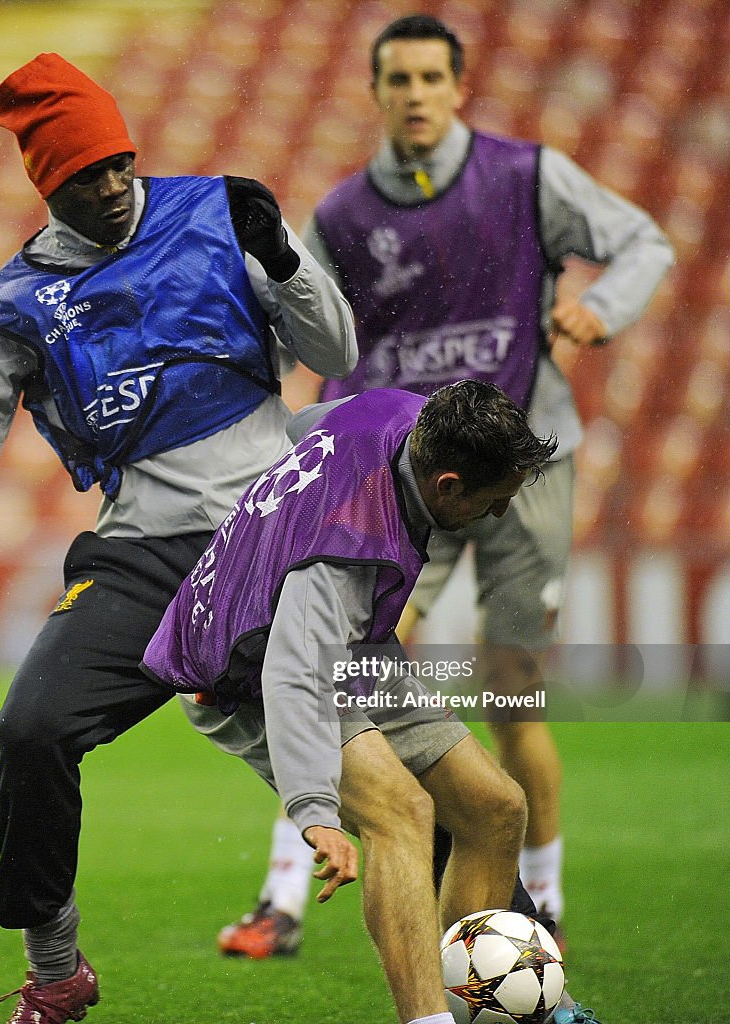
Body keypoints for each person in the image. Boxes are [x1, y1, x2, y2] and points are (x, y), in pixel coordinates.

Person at [0, 52, 357, 1024]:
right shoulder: (8, 309)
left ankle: (487, 945)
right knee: (29, 731)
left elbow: (336, 355)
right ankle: (57, 969)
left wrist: (281, 258)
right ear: (44, 184)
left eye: (119, 164)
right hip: (143, 555)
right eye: (84, 177)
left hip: (274, 532)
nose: (111, 188)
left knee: (381, 780)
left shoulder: (219, 213)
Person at [221, 12, 674, 963]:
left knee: (512, 688)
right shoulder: (341, 217)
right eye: (399, 79)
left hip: (520, 471)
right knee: (351, 667)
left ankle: (536, 905)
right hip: (395, 482)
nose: (416, 94)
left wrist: (598, 306)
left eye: (432, 77)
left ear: (458, 86)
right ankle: (284, 897)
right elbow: (295, 318)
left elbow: (645, 245)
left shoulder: (526, 178)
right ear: (377, 92)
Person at [143, 381, 557, 1024]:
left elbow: (303, 424)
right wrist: (315, 811)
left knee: (495, 807)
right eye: (494, 501)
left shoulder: (403, 412)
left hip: (354, 645)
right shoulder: (344, 550)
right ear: (446, 485)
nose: (499, 515)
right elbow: (293, 674)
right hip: (242, 671)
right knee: (402, 812)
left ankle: (480, 1000)